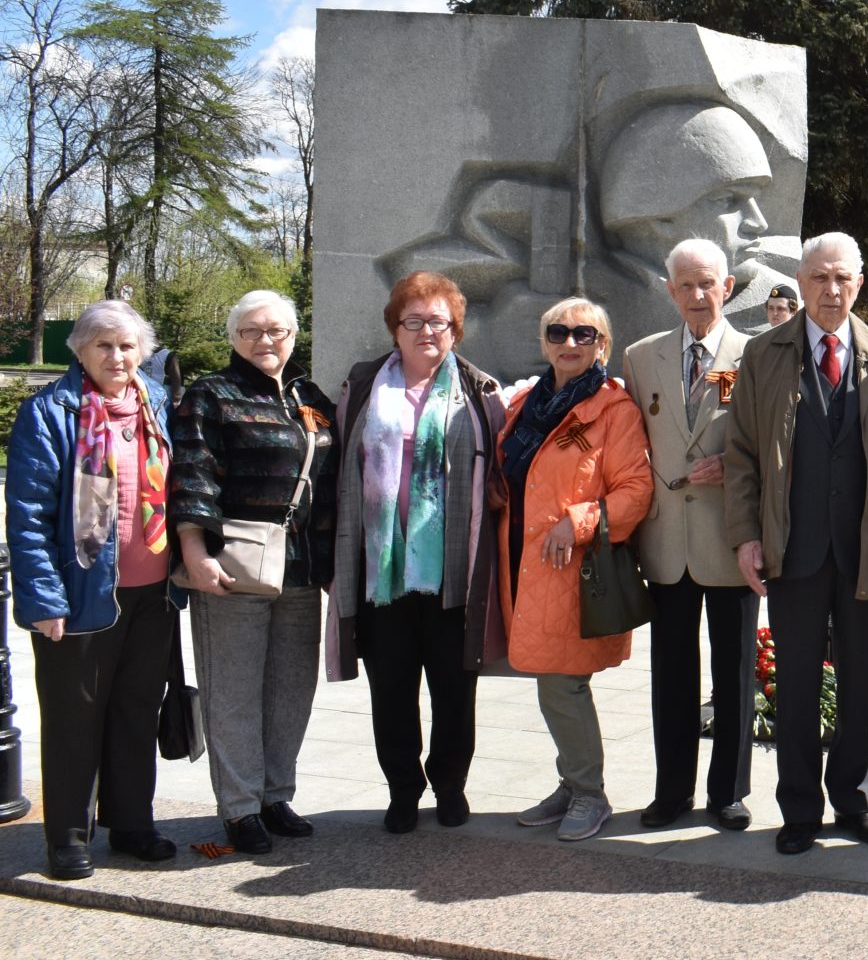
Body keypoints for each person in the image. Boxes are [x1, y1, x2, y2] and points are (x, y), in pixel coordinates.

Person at [724, 232, 868, 856]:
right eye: (819, 278)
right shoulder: (763, 355)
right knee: (798, 682)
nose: (831, 290)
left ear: (859, 284)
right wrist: (747, 536)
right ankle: (800, 810)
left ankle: (856, 804)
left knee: (863, 682)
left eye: (842, 279)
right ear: (802, 282)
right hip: (794, 549)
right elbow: (743, 455)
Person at [328, 271, 506, 834]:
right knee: (393, 689)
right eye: (414, 320)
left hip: (455, 568)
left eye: (438, 321)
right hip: (383, 571)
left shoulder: (480, 391)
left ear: (455, 330)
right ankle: (403, 788)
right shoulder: (362, 386)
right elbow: (340, 473)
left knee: (456, 689)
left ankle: (450, 785)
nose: (426, 330)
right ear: (395, 327)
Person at [8, 301, 181, 880]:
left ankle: (132, 823)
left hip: (152, 592)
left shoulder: (155, 404)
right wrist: (43, 600)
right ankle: (68, 836)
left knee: (136, 711)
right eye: (104, 345)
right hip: (80, 595)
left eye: (128, 345)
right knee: (74, 718)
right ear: (80, 351)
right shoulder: (50, 413)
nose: (117, 356)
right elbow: (28, 515)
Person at [171, 289, 337, 856]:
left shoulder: (309, 398)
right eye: (252, 331)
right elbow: (193, 474)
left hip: (300, 569)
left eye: (277, 331)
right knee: (234, 691)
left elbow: (331, 483)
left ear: (293, 336)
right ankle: (240, 808)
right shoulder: (211, 394)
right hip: (233, 566)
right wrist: (195, 551)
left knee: (291, 688)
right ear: (234, 337)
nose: (266, 341)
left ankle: (275, 795)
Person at [499, 298, 653, 842]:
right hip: (523, 563)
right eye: (558, 333)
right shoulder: (525, 403)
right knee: (550, 682)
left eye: (584, 334)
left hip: (573, 568)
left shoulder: (614, 409)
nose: (570, 343)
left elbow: (636, 490)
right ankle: (571, 784)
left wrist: (580, 520)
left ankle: (589, 792)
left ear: (602, 345)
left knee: (563, 686)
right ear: (544, 342)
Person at [621, 239, 758, 832]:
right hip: (666, 544)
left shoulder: (758, 355)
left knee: (733, 675)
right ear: (670, 290)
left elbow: (777, 446)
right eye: (686, 285)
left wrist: (734, 464)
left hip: (732, 538)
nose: (698, 296)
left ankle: (728, 792)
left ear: (727, 288)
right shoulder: (640, 357)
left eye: (709, 284)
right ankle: (671, 789)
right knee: (671, 676)